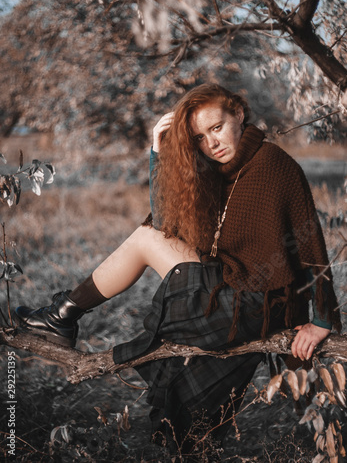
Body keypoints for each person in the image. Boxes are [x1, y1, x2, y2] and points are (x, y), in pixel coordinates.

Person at [14, 84, 341, 458]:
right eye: (199, 138)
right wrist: (157, 149)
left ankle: (63, 315)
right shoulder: (215, 172)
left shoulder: (273, 165)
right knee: (150, 235)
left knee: (143, 239)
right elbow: (167, 222)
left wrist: (323, 319)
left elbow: (310, 241)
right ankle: (64, 315)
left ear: (238, 114)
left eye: (217, 127)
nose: (211, 143)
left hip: (254, 301)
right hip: (230, 288)